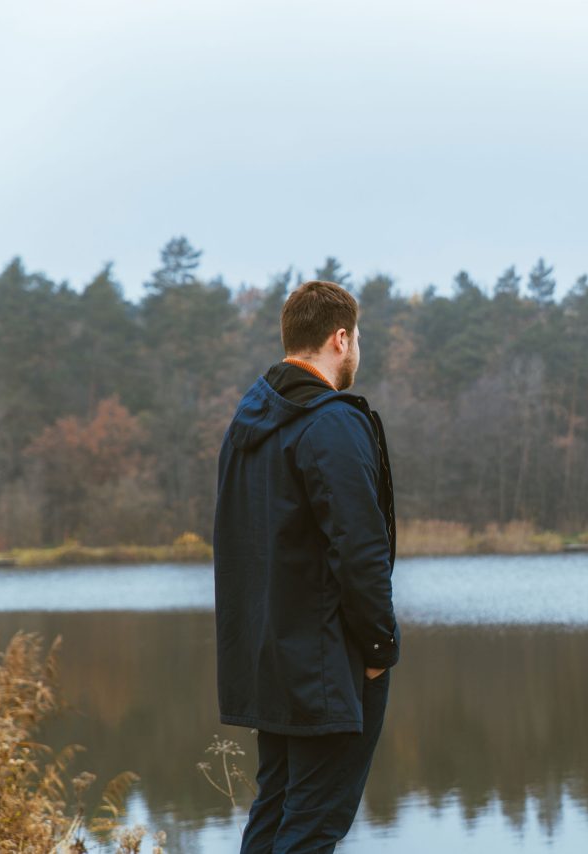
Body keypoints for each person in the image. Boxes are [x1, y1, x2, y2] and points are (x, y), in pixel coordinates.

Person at [212, 279, 401, 853]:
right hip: (326, 664)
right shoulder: (331, 421)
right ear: (340, 339)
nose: (358, 350)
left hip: (272, 657)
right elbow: (360, 547)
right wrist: (378, 650)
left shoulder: (248, 424)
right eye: (358, 338)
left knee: (274, 813)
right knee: (313, 827)